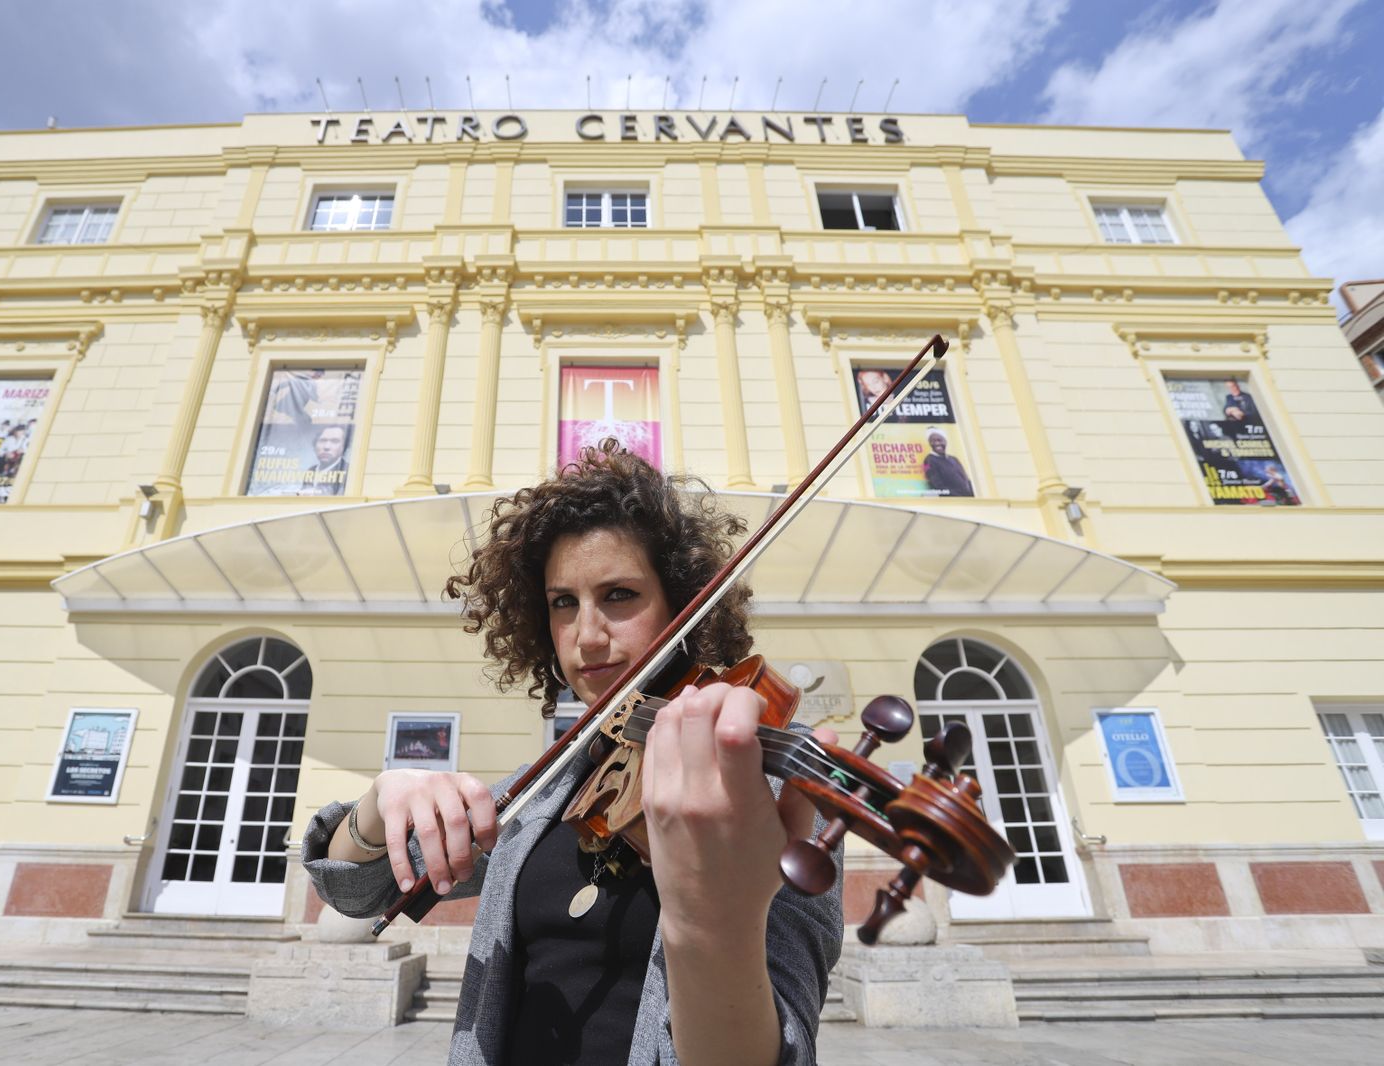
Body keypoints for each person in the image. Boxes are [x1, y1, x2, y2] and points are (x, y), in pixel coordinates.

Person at [303, 440, 843, 1065]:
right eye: (564, 603)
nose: (587, 636)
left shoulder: (768, 788)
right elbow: (357, 892)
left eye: (619, 595)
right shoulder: (552, 786)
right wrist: (380, 803)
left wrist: (712, 923)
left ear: (684, 605)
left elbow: (781, 1049)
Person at [921, 428, 974, 497]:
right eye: (933, 441)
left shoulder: (954, 459)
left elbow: (966, 479)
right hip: (953, 501)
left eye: (939, 440)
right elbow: (936, 486)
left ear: (945, 441)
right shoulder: (928, 460)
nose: (937, 443)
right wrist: (958, 496)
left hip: (968, 499)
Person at [303, 424, 349, 495]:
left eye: (335, 441)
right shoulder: (311, 470)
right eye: (322, 440)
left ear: (343, 447)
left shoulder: (348, 471)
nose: (326, 447)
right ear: (315, 445)